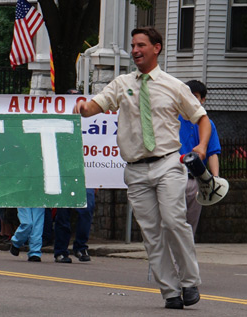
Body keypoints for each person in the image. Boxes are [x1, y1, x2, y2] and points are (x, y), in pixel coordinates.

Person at [73, 27, 208, 309]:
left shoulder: (174, 85)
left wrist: (202, 147)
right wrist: (84, 107)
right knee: (151, 233)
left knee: (173, 221)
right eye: (133, 45)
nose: (135, 50)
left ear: (156, 48)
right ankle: (170, 291)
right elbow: (96, 105)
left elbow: (202, 118)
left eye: (141, 45)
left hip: (168, 163)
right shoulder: (122, 83)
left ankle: (189, 281)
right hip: (135, 170)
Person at [179, 80, 221, 235]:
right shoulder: (173, 120)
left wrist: (215, 178)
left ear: (203, 100)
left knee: (190, 224)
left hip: (196, 180)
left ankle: (184, 258)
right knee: (172, 221)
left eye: (195, 96)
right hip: (174, 175)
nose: (191, 99)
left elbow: (213, 152)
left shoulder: (208, 124)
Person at [53, 188, 96, 263]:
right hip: (64, 181)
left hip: (86, 182)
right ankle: (61, 251)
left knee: (87, 209)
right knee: (63, 213)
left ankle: (80, 246)